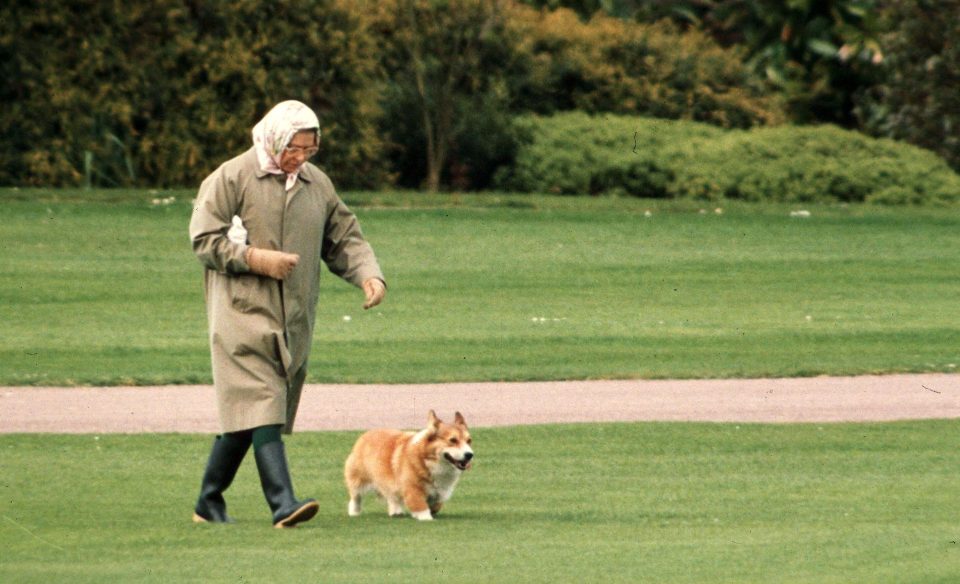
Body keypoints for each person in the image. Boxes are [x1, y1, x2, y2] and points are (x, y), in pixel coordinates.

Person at [188, 100, 386, 528]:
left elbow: (345, 238)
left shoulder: (316, 184)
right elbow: (204, 240)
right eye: (294, 148)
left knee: (249, 416)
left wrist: (369, 276)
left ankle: (208, 501)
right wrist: (257, 259)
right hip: (240, 313)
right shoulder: (231, 176)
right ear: (276, 138)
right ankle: (283, 503)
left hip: (293, 316)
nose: (300, 158)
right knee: (264, 402)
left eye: (309, 150)